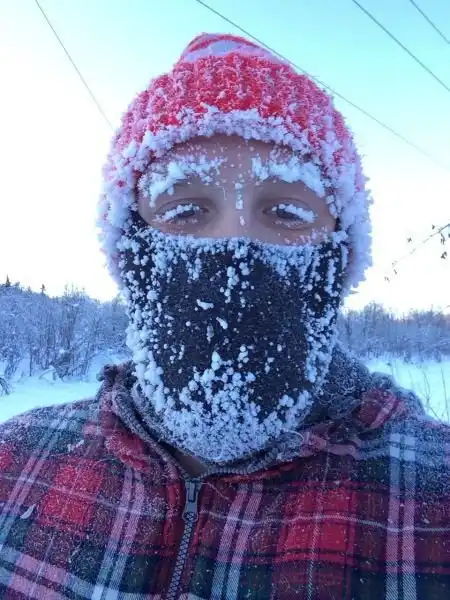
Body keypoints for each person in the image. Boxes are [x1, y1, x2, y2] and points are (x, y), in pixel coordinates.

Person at [0, 32, 448, 600]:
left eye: (286, 212)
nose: (233, 246)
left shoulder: (430, 499)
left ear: (337, 261)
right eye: (186, 210)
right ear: (130, 255)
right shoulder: (15, 465)